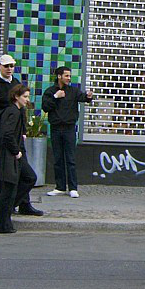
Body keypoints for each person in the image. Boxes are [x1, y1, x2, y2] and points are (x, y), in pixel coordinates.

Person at [0, 54, 42, 217]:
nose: (9, 69)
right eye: (6, 66)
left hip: (16, 136)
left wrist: (23, 131)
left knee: (23, 172)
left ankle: (23, 203)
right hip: (0, 137)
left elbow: (22, 110)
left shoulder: (16, 84)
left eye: (12, 66)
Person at [41, 66, 93, 198]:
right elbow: (45, 107)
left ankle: (73, 188)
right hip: (56, 128)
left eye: (70, 76)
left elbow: (83, 98)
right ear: (59, 76)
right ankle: (60, 187)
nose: (69, 78)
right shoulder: (50, 91)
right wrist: (55, 97)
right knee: (58, 158)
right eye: (66, 76)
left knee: (70, 159)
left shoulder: (73, 91)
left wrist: (88, 96)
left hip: (69, 128)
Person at [0, 84, 36, 234]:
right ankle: (2, 223)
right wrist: (16, 151)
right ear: (16, 97)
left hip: (12, 153)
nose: (27, 100)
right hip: (10, 154)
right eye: (25, 97)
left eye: (28, 97)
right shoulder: (12, 112)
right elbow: (6, 134)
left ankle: (5, 217)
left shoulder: (16, 111)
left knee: (26, 179)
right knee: (9, 189)